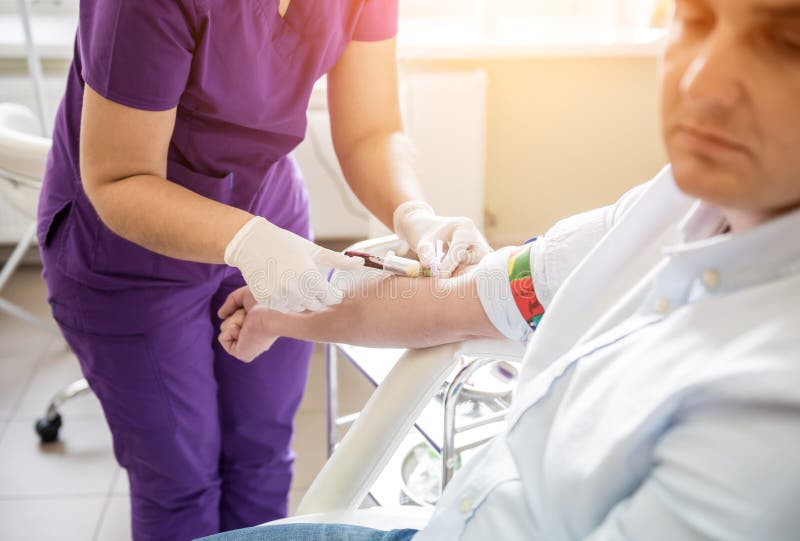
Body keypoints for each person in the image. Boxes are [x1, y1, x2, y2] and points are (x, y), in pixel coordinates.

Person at [208, 0, 800, 538]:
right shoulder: (670, 204)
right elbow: (456, 298)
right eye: (697, 18)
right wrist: (290, 309)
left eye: (787, 42)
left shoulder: (771, 416)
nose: (701, 82)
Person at [36, 1, 491, 539]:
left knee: (263, 453)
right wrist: (244, 240)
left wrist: (415, 214)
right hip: (130, 248)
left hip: (266, 210)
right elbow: (120, 178)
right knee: (180, 483)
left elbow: (370, 130)